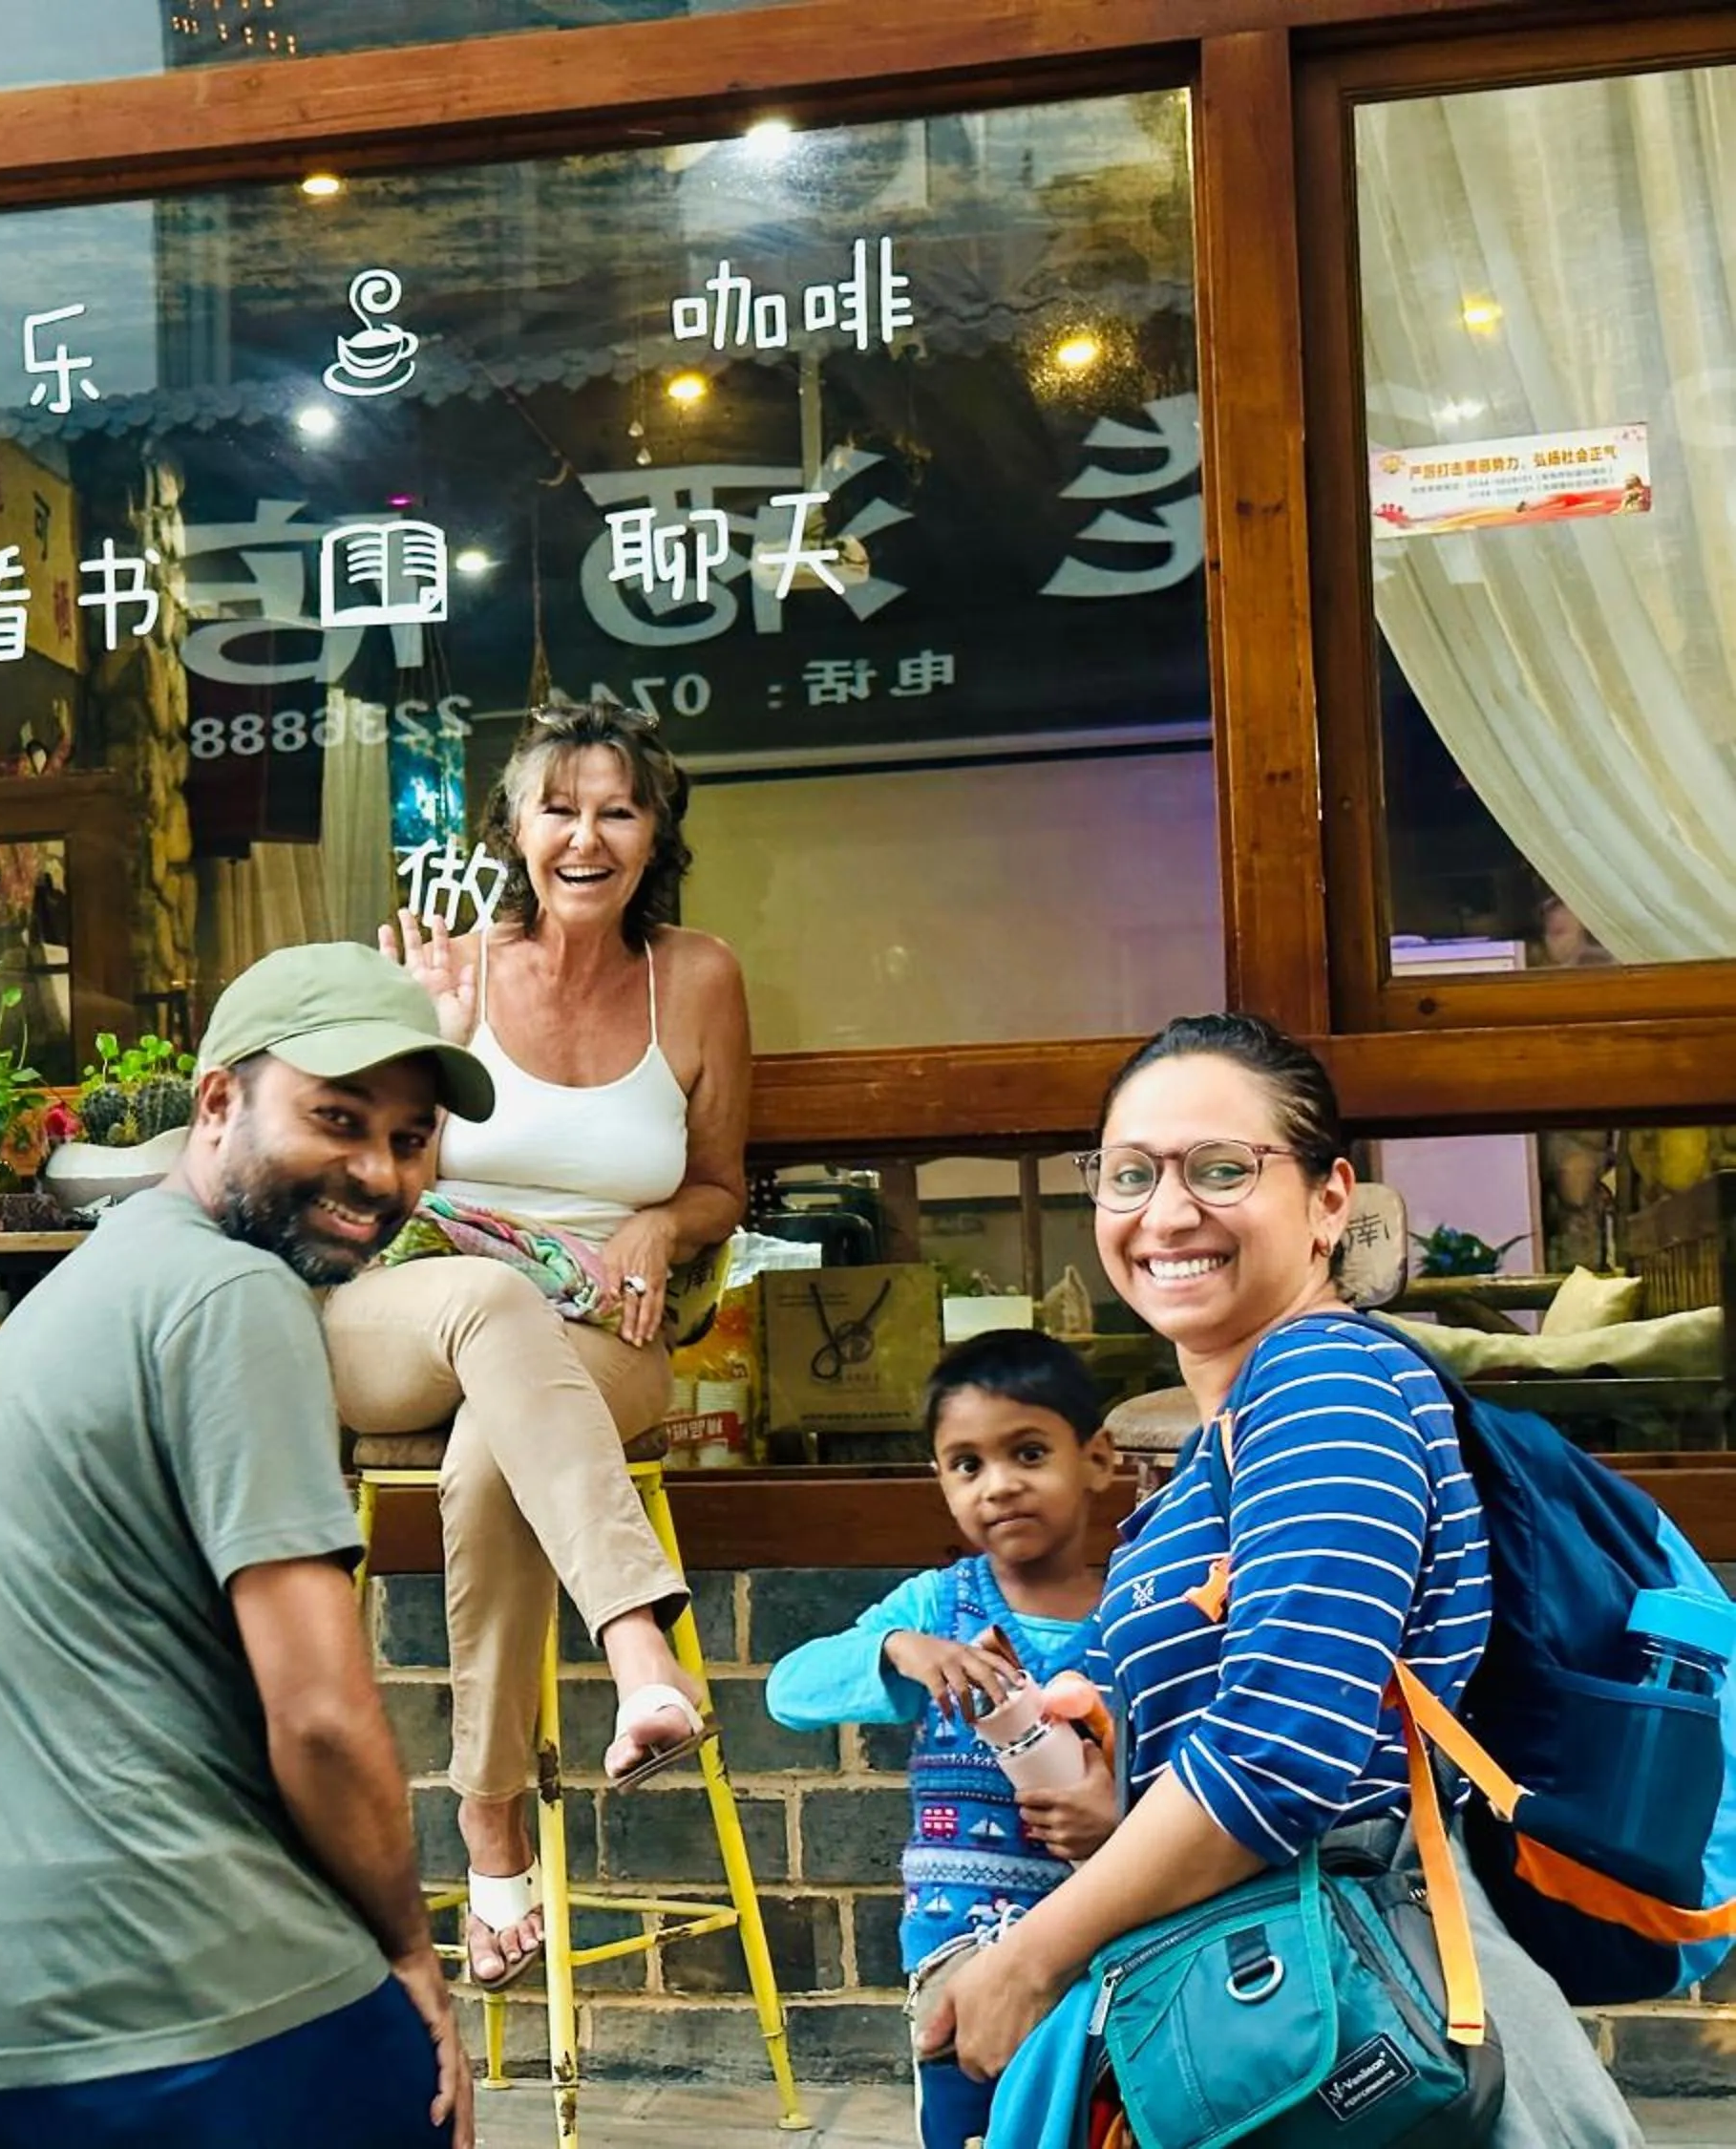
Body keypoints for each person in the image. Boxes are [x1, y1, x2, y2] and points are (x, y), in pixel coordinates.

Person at [919, 1013, 1640, 2148]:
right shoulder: (1220, 1444)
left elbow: (1280, 1755)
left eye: (1221, 1169)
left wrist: (1030, 1957)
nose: (1166, 1213)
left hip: (1345, 2020)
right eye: (1128, 1173)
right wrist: (1121, 1780)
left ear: (1328, 1201)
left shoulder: (1323, 1385)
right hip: (1267, 2003)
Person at [0, 942, 493, 2149]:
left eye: (410, 1140)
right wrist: (413, 1952)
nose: (375, 1171)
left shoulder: (87, 1292)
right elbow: (317, 1711)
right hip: (180, 1993)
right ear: (218, 1101)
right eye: (338, 1117)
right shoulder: (232, 1300)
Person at [324, 695, 752, 1990]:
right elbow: (355, 1185)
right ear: (514, 826)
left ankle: (489, 1824)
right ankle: (638, 1646)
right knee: (492, 1310)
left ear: (654, 828)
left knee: (491, 1458)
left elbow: (725, 1181)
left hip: (600, 1324)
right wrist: (433, 1050)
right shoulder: (447, 967)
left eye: (616, 807)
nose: (585, 835)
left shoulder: (702, 977)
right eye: (558, 806)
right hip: (408, 1304)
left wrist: (656, 1228)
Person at [767, 1330, 1114, 2149]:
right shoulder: (937, 1608)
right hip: (958, 1951)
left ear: (1096, 1459)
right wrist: (895, 1649)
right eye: (968, 1465)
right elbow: (789, 1689)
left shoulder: (1136, 1610)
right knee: (972, 2131)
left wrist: (1113, 1823)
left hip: (1107, 1950)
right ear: (941, 1483)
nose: (999, 1486)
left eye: (1028, 1453)